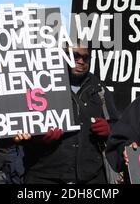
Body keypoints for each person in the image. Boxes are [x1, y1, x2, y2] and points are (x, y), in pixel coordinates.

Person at [17, 45, 120, 184]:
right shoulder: (39, 85)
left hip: (91, 177)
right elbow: (20, 128)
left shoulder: (100, 89)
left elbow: (117, 126)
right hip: (45, 176)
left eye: (85, 57)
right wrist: (39, 137)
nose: (81, 61)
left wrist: (108, 130)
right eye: (75, 56)